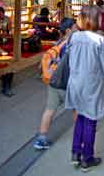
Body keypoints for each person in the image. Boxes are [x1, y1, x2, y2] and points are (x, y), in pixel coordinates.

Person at [66, 6, 104, 171]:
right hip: (91, 85)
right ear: (96, 20)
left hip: (75, 82)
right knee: (90, 120)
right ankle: (87, 158)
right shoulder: (99, 40)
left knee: (80, 116)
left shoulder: (74, 37)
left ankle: (76, 152)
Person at [34, 17, 76, 150]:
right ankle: (80, 135)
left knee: (49, 110)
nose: (77, 29)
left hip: (53, 82)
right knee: (77, 110)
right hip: (66, 83)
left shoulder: (57, 43)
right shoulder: (71, 44)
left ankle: (41, 139)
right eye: (75, 27)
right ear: (69, 30)